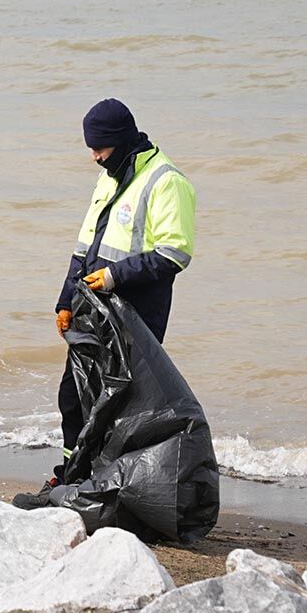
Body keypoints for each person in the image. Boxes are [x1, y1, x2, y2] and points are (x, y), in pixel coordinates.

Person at [43, 98, 197, 492]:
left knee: (121, 407)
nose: (95, 157)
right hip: (92, 311)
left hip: (135, 317)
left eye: (100, 148)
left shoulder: (167, 181)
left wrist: (114, 277)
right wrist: (64, 301)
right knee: (73, 396)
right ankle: (71, 475)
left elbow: (174, 253)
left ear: (123, 140)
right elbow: (85, 248)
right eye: (91, 149)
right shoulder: (109, 177)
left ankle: (113, 483)